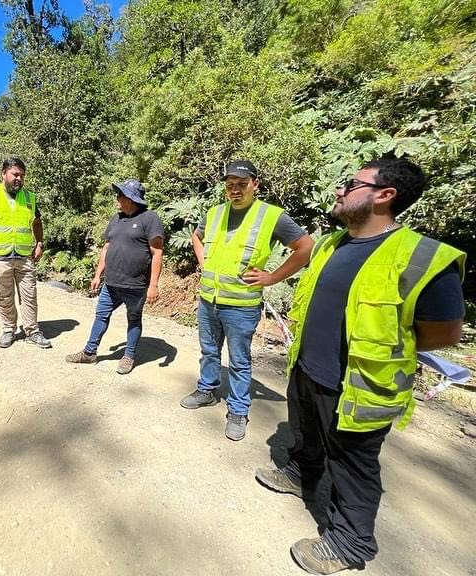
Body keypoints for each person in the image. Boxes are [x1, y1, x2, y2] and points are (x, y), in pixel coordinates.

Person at [255, 156, 465, 574]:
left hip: (362, 384)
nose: (339, 189)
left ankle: (350, 544)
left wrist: (384, 346)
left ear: (384, 195)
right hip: (309, 368)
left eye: (351, 184)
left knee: (353, 466)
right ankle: (302, 474)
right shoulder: (334, 243)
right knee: (306, 433)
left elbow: (444, 334)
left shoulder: (422, 256)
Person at [180, 160, 314, 441]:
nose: (235, 190)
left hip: (241, 307)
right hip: (208, 301)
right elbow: (196, 236)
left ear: (256, 184)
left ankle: (238, 410)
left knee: (239, 361)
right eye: (230, 185)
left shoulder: (272, 216)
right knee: (209, 351)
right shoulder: (214, 213)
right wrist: (203, 262)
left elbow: (305, 247)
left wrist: (272, 277)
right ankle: (207, 390)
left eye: (242, 184)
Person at [65, 179, 164, 375]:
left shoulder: (149, 218)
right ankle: (89, 352)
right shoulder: (116, 219)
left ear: (131, 198)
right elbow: (107, 247)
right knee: (101, 316)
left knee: (134, 320)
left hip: (135, 285)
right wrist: (97, 274)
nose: (117, 198)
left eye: (120, 195)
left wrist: (153, 285)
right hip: (111, 283)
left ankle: (129, 356)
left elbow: (157, 252)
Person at [0, 157, 51, 349]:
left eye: (22, 175)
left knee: (30, 296)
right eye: (15, 174)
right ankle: (8, 329)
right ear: (3, 174)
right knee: (4, 297)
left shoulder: (30, 197)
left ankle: (32, 331)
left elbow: (37, 222)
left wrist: (39, 244)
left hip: (24, 256)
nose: (18, 178)